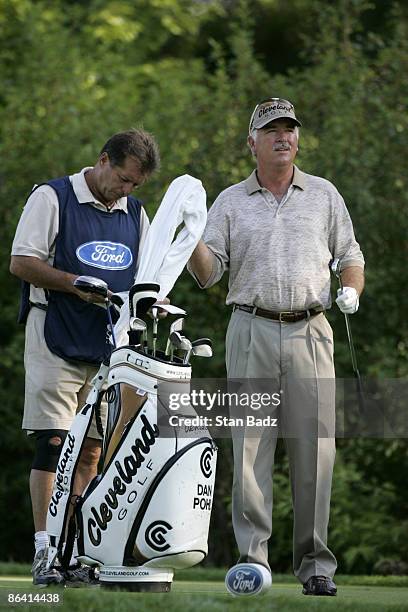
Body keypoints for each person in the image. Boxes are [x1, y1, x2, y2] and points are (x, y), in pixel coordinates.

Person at [188, 98, 365, 596]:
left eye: (289, 129)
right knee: (249, 450)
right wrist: (187, 238)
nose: (283, 137)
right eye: (271, 130)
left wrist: (352, 287)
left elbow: (350, 254)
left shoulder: (324, 195)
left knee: (315, 451)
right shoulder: (229, 200)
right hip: (250, 329)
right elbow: (208, 274)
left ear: (298, 139)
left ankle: (316, 567)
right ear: (252, 142)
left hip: (312, 329)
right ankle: (253, 563)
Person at [10, 128, 160, 586]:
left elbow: (147, 276)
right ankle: (44, 549)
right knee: (55, 443)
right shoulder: (52, 197)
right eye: (123, 179)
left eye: (135, 184)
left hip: (108, 348)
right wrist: (74, 283)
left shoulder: (134, 213)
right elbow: (21, 261)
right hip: (54, 332)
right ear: (103, 160)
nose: (127, 190)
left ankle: (75, 551)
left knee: (92, 452)